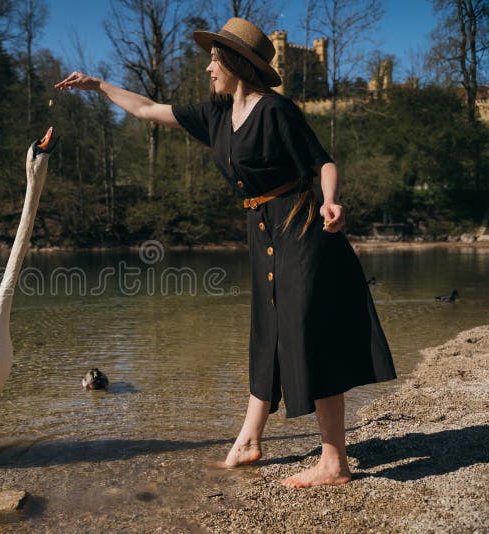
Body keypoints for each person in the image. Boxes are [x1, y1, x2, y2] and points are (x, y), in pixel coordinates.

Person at [55, 17, 396, 488]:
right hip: (262, 232)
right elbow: (148, 109)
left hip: (299, 227)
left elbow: (323, 161)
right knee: (268, 334)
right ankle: (249, 441)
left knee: (305, 336)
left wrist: (333, 200)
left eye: (214, 58)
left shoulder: (276, 110)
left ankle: (334, 464)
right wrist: (98, 85)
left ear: (237, 63)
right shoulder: (216, 115)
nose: (207, 67)